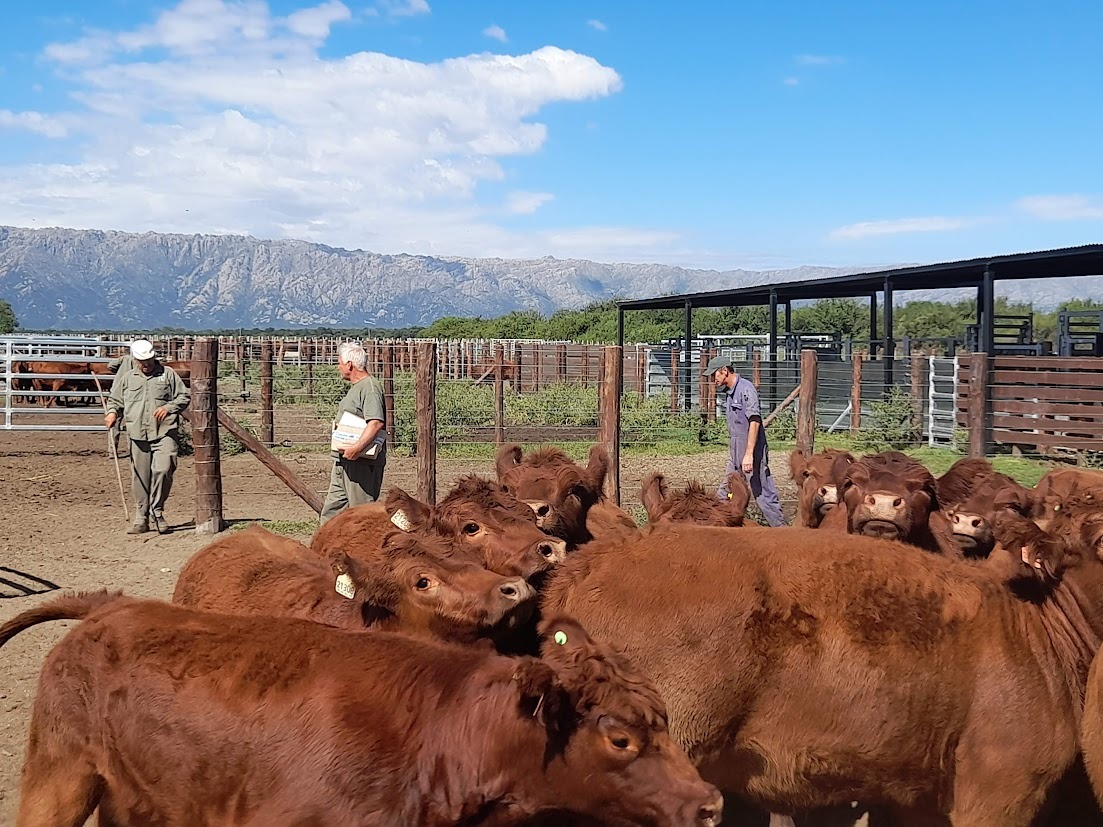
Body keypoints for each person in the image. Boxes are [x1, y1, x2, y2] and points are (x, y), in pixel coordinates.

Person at [104, 339, 191, 535]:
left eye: (149, 360)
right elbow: (115, 400)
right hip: (137, 433)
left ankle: (157, 510)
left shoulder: (168, 374)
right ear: (135, 360)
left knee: (164, 468)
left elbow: (183, 397)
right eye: (142, 361)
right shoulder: (127, 378)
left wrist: (168, 407)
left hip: (164, 431)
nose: (147, 364)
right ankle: (141, 516)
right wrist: (112, 413)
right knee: (140, 476)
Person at [703, 354, 786, 527]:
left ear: (724, 371)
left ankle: (782, 532)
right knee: (724, 493)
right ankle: (720, 530)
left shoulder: (745, 390)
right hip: (736, 454)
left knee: (762, 494)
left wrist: (748, 454)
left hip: (751, 452)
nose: (713, 380)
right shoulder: (730, 393)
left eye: (714, 375)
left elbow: (754, 421)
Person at [320, 341, 387, 524]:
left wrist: (356, 449)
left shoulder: (370, 388)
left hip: (360, 462)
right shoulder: (358, 388)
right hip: (344, 460)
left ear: (349, 364)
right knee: (332, 511)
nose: (338, 367)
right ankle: (325, 548)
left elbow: (375, 423)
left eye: (339, 362)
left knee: (363, 512)